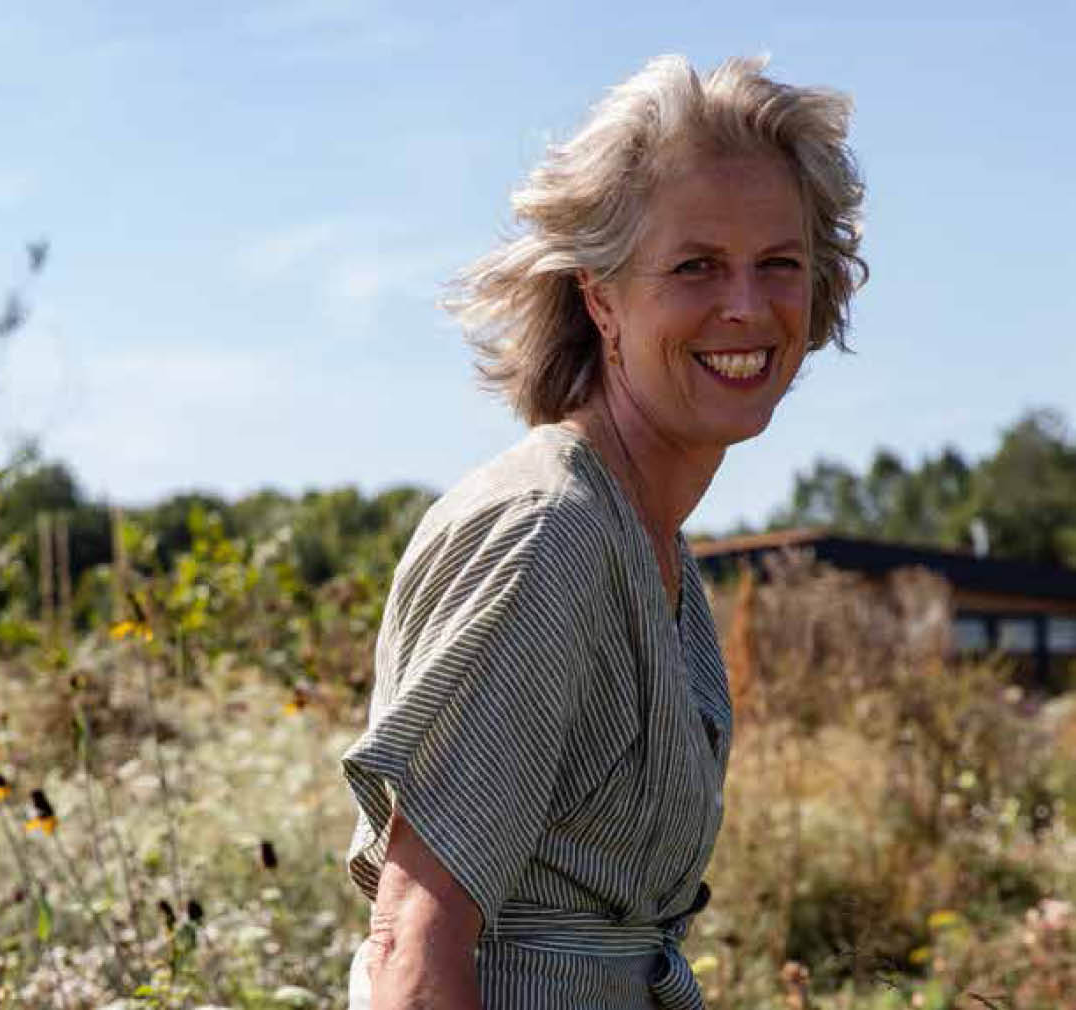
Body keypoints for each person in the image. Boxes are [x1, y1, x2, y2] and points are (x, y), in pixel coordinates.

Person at [340, 54, 867, 1010]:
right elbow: (411, 955)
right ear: (601, 297)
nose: (746, 306)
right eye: (696, 266)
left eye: (779, 264)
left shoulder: (648, 542)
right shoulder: (549, 536)